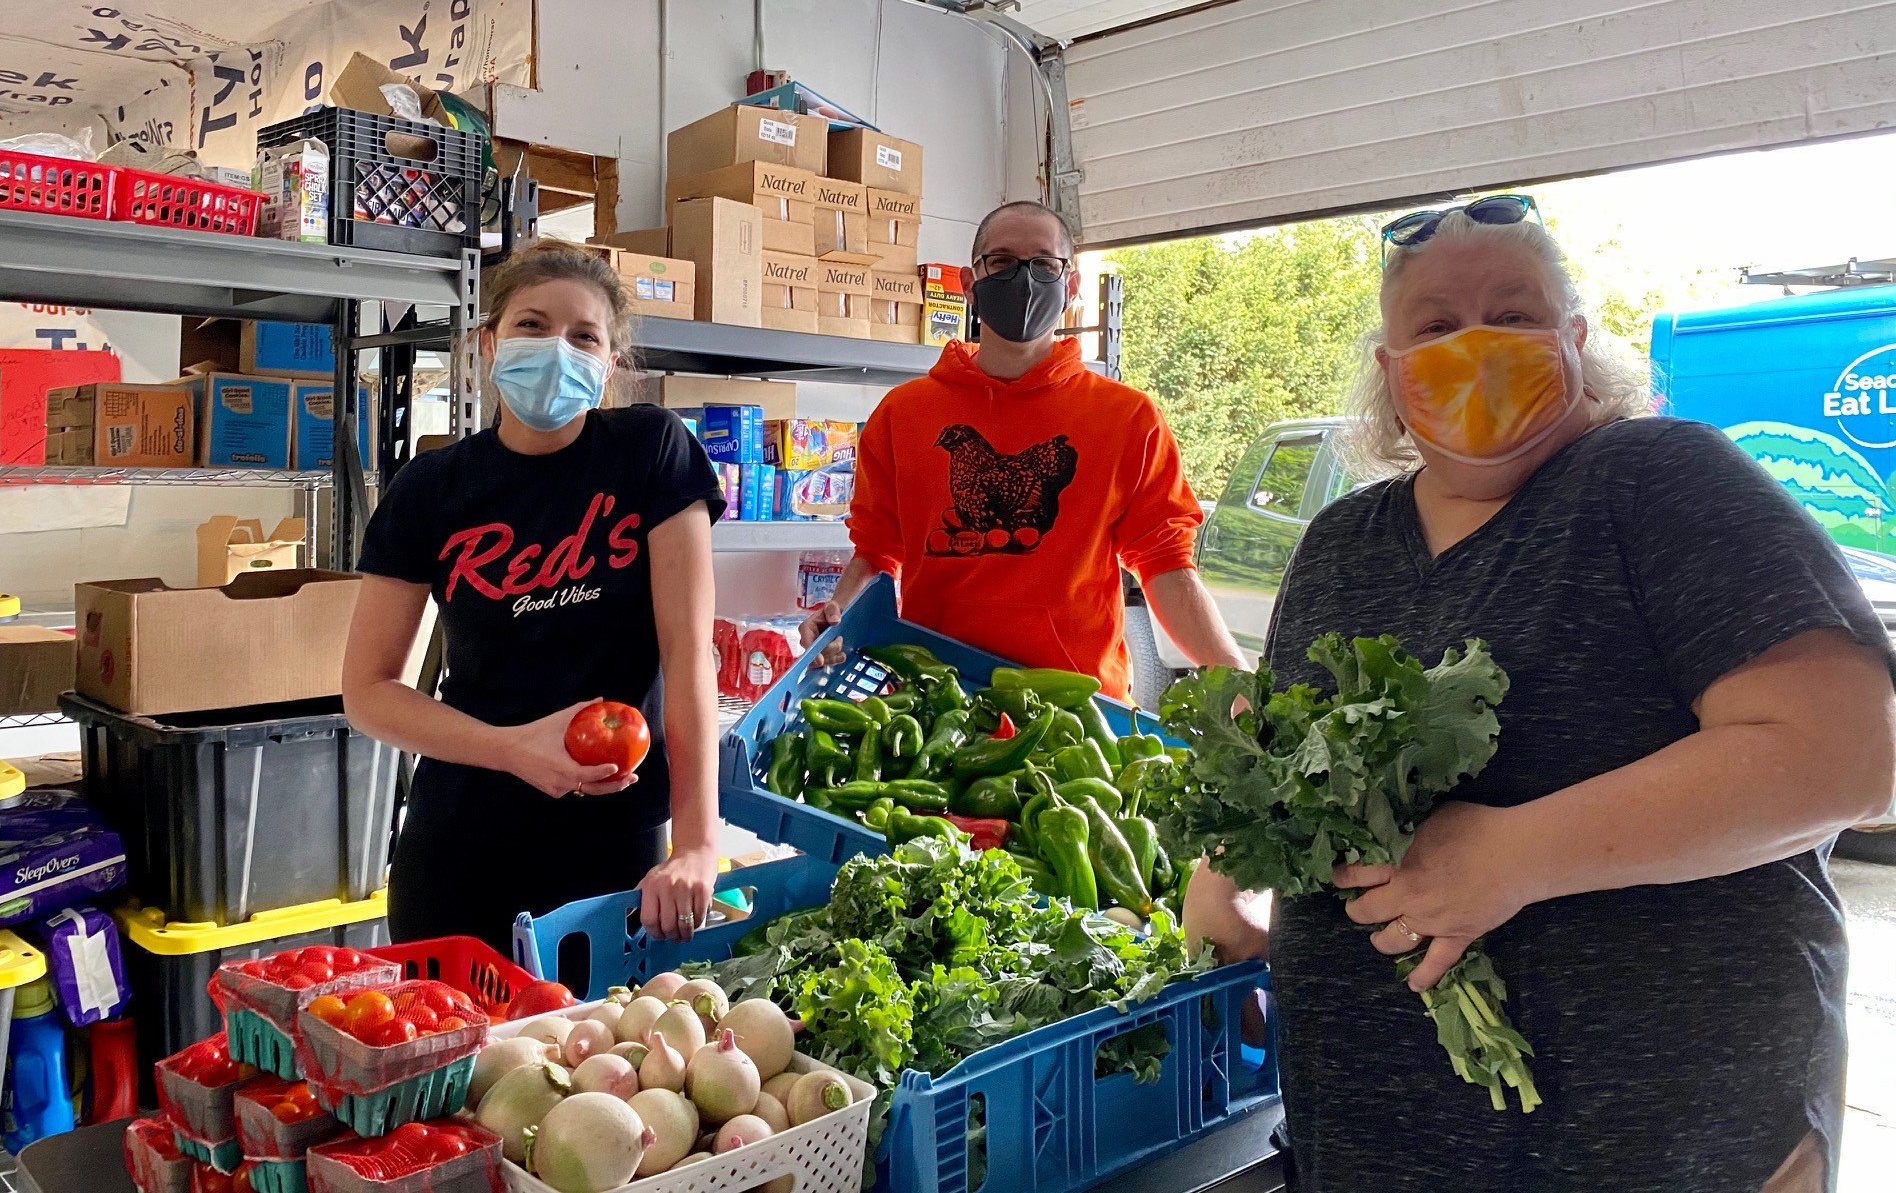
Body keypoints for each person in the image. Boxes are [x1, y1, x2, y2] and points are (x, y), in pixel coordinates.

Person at [1189, 195, 1896, 1192]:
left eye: (1514, 315)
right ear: (1389, 377)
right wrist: (1226, 886)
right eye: (1435, 326)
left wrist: (1512, 857)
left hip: (1662, 1147)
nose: (1475, 343)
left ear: (1576, 342)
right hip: (1369, 1148)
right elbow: (1297, 763)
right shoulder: (1341, 545)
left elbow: (1848, 755)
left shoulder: (1658, 481)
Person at [341, 241, 724, 951]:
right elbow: (368, 692)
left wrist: (698, 844)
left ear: (609, 364)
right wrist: (512, 748)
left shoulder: (650, 451)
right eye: (531, 325)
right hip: (458, 844)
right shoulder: (432, 487)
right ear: (488, 344)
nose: (557, 347)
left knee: (602, 1056)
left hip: (612, 850)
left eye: (584, 336)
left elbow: (690, 653)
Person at [802, 200, 1251, 698]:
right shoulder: (902, 414)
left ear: (1071, 286)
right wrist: (835, 617)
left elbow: (1165, 565)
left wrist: (1231, 673)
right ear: (971, 286)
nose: (1024, 278)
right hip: (935, 701)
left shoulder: (1127, 418)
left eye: (1044, 263)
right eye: (1002, 262)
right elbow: (877, 552)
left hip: (1080, 708)